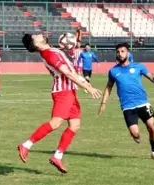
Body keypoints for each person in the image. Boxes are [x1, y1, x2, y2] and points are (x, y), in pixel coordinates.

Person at [19, 33, 102, 174]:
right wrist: (87, 87)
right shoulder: (49, 55)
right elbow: (68, 74)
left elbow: (72, 71)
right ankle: (26, 145)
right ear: (37, 44)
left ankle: (57, 156)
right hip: (63, 92)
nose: (40, 34)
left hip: (70, 91)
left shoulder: (50, 51)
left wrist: (84, 82)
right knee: (56, 123)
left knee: (75, 125)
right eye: (36, 36)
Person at [98, 43, 154, 160]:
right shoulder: (113, 71)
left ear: (127, 52)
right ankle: (136, 137)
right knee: (135, 133)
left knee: (151, 127)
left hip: (143, 103)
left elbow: (152, 78)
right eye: (118, 52)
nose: (120, 54)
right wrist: (103, 103)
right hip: (127, 106)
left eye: (122, 51)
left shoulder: (138, 66)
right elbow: (108, 87)